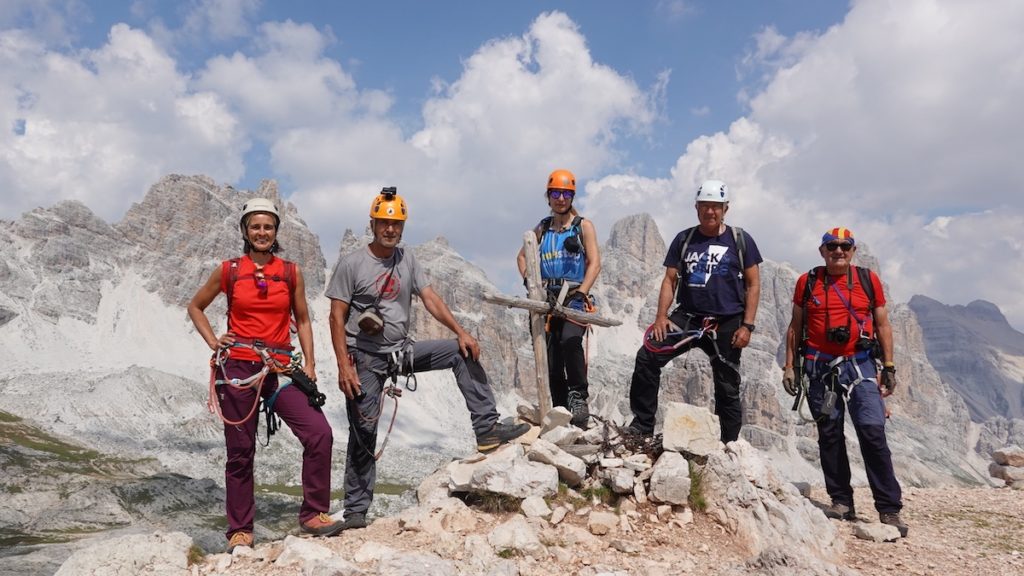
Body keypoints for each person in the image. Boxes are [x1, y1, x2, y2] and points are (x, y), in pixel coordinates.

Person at [327, 187, 530, 531]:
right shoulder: (353, 264)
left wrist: (461, 331)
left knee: (458, 352)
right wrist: (343, 366)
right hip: (364, 358)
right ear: (372, 223)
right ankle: (356, 512)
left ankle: (487, 428)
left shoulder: (407, 260)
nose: (390, 230)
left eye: (396, 224)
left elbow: (431, 298)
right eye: (384, 223)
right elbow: (335, 316)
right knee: (364, 430)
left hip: (400, 352)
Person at [188, 198, 343, 552]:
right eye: (255, 226)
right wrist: (214, 341)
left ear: (276, 232)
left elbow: (303, 319)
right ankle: (240, 530)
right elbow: (195, 306)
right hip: (239, 367)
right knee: (240, 452)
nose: (262, 232)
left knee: (319, 433)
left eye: (268, 227)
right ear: (245, 230)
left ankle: (313, 514)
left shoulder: (290, 272)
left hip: (280, 368)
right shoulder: (229, 270)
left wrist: (311, 364)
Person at [783, 227, 908, 537]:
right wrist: (790, 366)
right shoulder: (807, 281)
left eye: (845, 246)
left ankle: (889, 508)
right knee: (829, 433)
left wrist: (889, 366)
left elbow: (883, 324)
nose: (838, 251)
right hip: (818, 366)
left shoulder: (868, 280)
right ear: (822, 251)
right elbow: (795, 326)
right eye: (832, 246)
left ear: (853, 251)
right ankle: (841, 502)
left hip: (860, 364)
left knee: (871, 429)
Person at [627, 179, 762, 443]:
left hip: (728, 321)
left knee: (727, 385)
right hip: (688, 317)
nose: (710, 211)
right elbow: (670, 280)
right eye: (705, 206)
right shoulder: (684, 239)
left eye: (716, 206)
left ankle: (728, 445)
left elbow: (753, 283)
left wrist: (747, 326)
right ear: (696, 207)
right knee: (647, 357)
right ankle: (642, 425)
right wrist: (660, 317)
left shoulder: (740, 239)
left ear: (726, 208)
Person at [516, 169, 601, 428]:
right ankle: (561, 406)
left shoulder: (583, 226)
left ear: (572, 196)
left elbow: (595, 263)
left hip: (574, 296)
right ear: (548, 196)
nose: (560, 198)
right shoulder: (542, 228)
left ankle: (578, 397)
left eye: (565, 194)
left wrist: (583, 292)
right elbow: (522, 257)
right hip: (547, 298)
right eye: (555, 193)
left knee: (571, 340)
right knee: (549, 355)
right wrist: (531, 282)